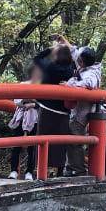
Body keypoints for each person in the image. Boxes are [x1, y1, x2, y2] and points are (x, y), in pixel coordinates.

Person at [32, 39, 76, 177]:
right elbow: (78, 60)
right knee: (60, 142)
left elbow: (36, 58)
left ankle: (42, 171)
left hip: (47, 108)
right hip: (63, 111)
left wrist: (51, 48)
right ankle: (60, 172)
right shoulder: (71, 71)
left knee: (43, 139)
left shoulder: (50, 67)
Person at [64, 45, 102, 176]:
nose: (76, 59)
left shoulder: (91, 73)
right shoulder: (86, 67)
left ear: (82, 61)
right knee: (71, 141)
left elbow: (88, 83)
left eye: (78, 58)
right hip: (78, 112)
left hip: (81, 114)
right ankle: (70, 168)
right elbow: (74, 53)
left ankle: (78, 170)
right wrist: (62, 40)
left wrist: (69, 85)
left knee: (75, 141)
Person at [8, 62, 42, 180]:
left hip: (35, 118)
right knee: (16, 145)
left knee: (32, 147)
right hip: (21, 117)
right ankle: (13, 170)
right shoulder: (22, 84)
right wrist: (30, 101)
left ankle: (29, 172)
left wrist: (34, 103)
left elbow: (45, 103)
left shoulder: (42, 86)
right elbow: (17, 100)